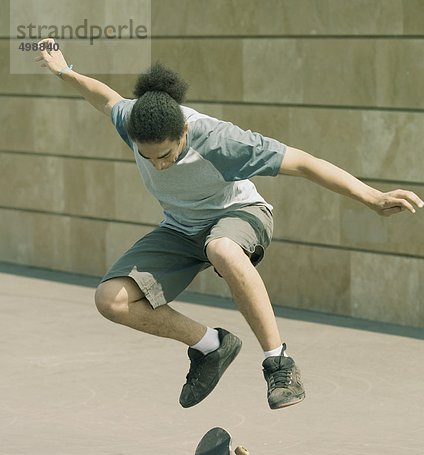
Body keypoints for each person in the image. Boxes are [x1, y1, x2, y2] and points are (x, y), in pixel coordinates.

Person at [36, 40, 423, 410]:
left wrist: (372, 198)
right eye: (148, 157)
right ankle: (210, 346)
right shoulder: (133, 121)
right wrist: (64, 71)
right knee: (111, 301)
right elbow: (105, 97)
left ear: (183, 133)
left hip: (239, 215)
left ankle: (279, 364)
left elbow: (304, 163)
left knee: (221, 248)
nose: (158, 165)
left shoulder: (221, 141)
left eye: (167, 155)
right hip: (180, 227)